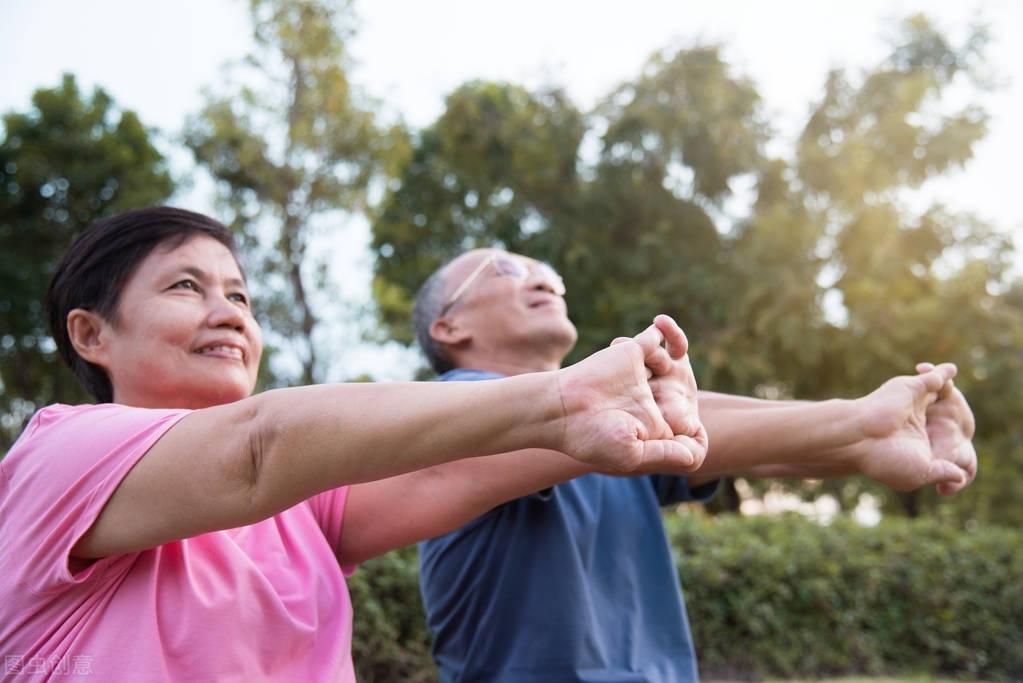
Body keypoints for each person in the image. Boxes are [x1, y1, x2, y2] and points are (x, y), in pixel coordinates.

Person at [0, 207, 709, 682]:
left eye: (241, 297)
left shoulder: (297, 509)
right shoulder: (60, 455)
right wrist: (562, 396)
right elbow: (257, 446)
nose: (228, 314)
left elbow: (446, 472)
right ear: (92, 335)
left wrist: (629, 407)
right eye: (187, 286)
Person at [413, 248, 977, 683]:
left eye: (548, 274)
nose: (540, 279)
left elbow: (743, 442)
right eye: (502, 269)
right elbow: (668, 423)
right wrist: (859, 424)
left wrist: (882, 437)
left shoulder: (616, 432)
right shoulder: (453, 409)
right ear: (448, 327)